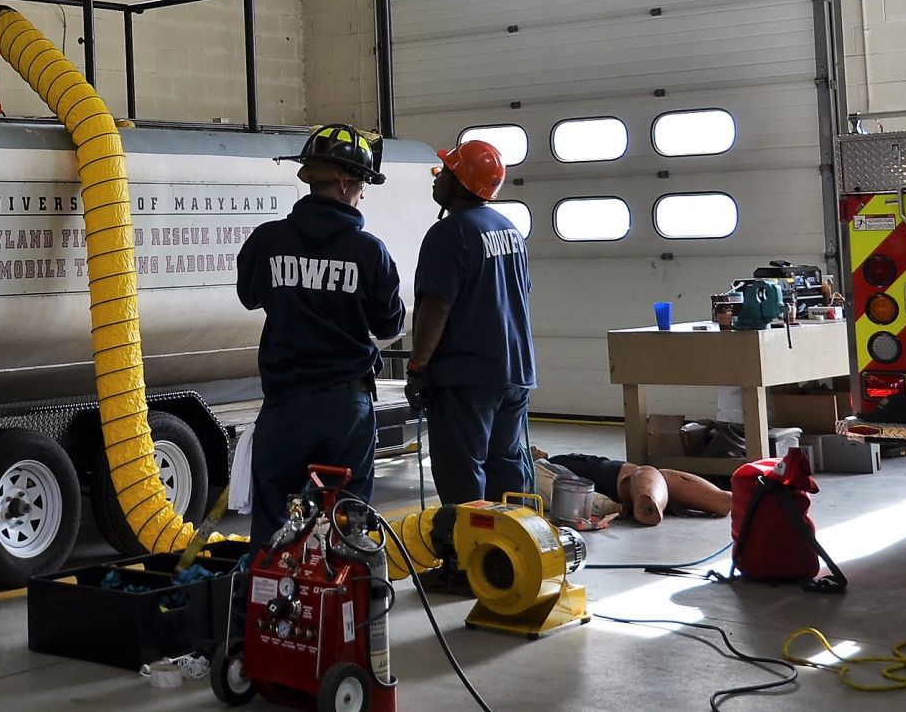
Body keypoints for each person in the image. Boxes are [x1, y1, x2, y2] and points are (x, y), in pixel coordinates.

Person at [236, 125, 406, 544]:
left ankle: (270, 604)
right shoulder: (369, 252)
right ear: (346, 182)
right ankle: (346, 603)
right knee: (350, 522)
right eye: (362, 183)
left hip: (284, 407)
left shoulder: (267, 240)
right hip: (345, 409)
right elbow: (389, 326)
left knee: (276, 521)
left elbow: (249, 296)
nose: (363, 193)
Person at [404, 140, 535, 505]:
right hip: (515, 372)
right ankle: (512, 551)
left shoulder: (449, 234)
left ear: (460, 183)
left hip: (467, 379)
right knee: (506, 468)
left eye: (445, 172)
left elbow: (436, 308)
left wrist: (417, 367)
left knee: (462, 471)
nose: (437, 178)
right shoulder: (509, 230)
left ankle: (467, 554)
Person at [536, 449, 733, 525]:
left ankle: (722, 499)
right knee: (641, 474)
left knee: (658, 477)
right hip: (588, 480)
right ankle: (647, 499)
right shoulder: (539, 467)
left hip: (594, 483)